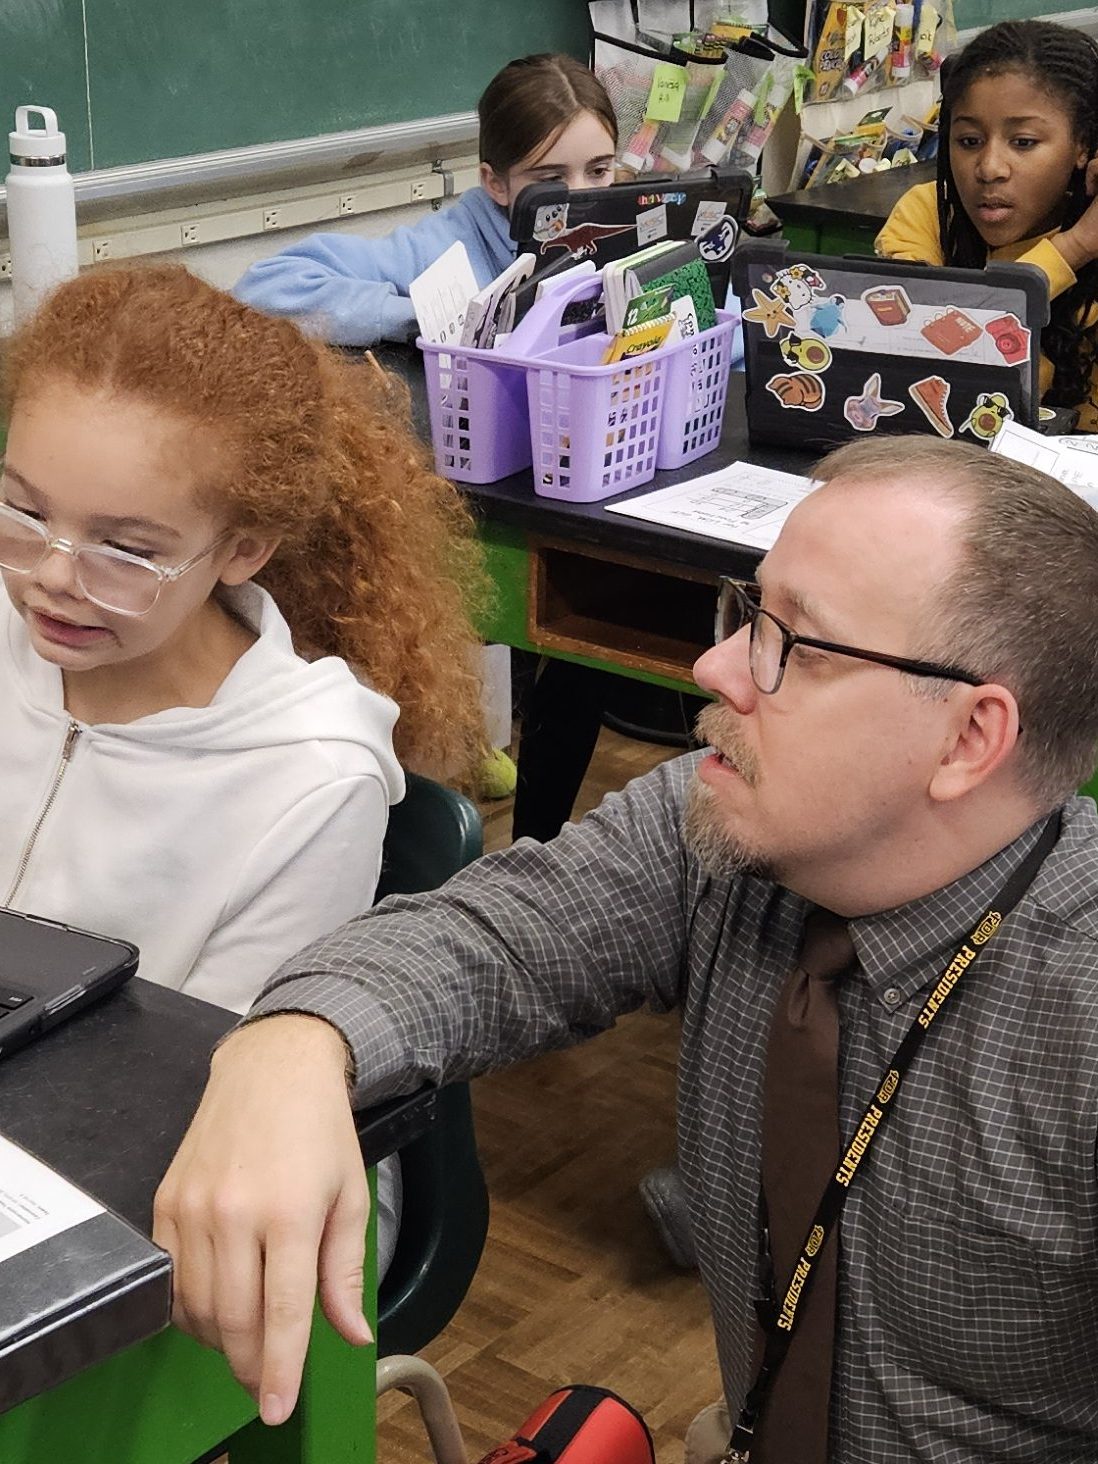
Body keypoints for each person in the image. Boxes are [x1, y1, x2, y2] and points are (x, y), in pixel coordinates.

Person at [156, 434, 1098, 1458]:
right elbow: (494, 938)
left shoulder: (1074, 1018)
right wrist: (292, 1040)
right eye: (749, 610)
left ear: (969, 739)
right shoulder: (717, 834)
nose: (713, 667)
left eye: (797, 645)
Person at [1, 263, 486, 1275]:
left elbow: (197, 1099)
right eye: (22, 510)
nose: (52, 574)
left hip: (192, 1179)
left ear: (242, 548)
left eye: (124, 550)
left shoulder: (309, 781)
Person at [233, 53, 618, 347]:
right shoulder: (441, 249)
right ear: (496, 183)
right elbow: (262, 289)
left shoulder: (619, 234)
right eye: (552, 178)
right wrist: (422, 317)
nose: (581, 196)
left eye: (599, 171)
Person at [877, 18, 1098, 432]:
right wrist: (1072, 250)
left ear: (1082, 145)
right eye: (969, 141)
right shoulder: (928, 214)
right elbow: (931, 372)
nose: (990, 168)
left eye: (1024, 142)